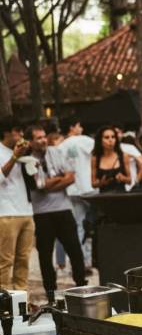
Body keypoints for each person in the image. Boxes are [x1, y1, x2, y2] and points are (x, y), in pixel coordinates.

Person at [26, 124, 87, 302]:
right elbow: (38, 186)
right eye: (38, 138)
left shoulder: (56, 152)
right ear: (30, 141)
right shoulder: (27, 159)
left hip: (63, 209)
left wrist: (49, 184)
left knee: (75, 250)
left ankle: (81, 286)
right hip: (42, 213)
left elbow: (70, 177)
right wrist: (55, 181)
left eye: (44, 136)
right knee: (45, 255)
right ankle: (51, 293)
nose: (43, 140)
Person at [0, 117, 34, 291]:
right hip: (6, 212)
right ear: (6, 132)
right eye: (17, 131)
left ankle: (22, 300)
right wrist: (14, 157)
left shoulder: (24, 152)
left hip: (26, 210)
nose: (21, 135)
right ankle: (4, 301)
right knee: (5, 260)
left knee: (23, 259)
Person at [58, 120, 96, 271]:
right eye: (79, 125)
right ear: (72, 127)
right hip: (88, 187)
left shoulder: (62, 146)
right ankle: (88, 259)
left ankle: (81, 261)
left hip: (72, 188)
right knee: (91, 225)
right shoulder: (86, 140)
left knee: (79, 224)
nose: (81, 128)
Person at [91, 125, 131, 194]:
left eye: (113, 137)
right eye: (106, 137)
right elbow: (93, 184)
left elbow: (129, 180)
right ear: (100, 140)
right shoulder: (95, 158)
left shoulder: (123, 156)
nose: (110, 140)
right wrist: (101, 183)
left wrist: (122, 178)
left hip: (121, 196)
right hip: (104, 197)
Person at [114, 125, 142, 190]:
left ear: (121, 134)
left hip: (129, 188)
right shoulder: (104, 151)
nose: (115, 136)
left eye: (117, 132)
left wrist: (136, 182)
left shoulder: (129, 148)